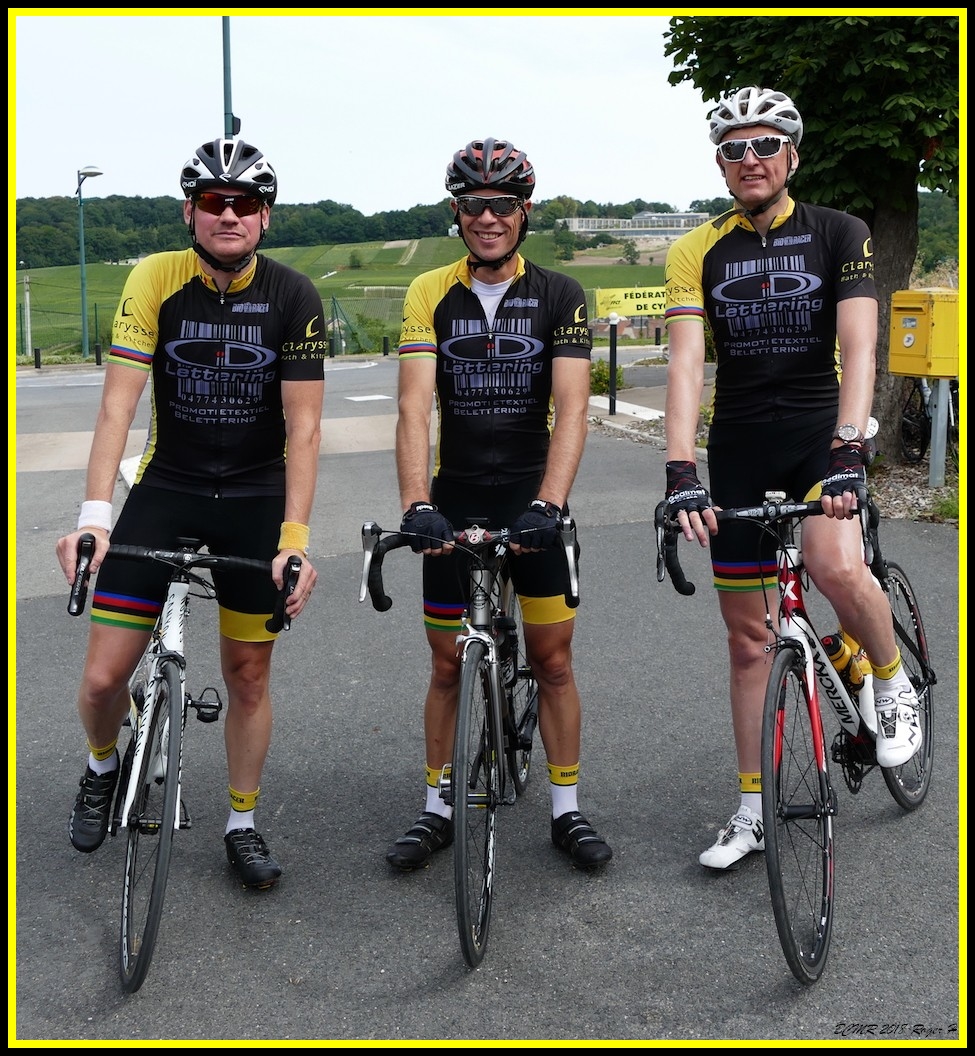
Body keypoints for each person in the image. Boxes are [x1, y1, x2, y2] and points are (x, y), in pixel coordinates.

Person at [662, 87, 922, 870]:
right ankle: (751, 812)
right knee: (749, 642)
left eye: (764, 144)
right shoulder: (696, 249)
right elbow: (685, 364)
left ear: (791, 156)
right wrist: (679, 467)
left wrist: (848, 445)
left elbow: (860, 345)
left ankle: (889, 679)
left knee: (833, 564)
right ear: (719, 164)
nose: (749, 159)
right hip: (741, 441)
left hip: (818, 434)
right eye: (733, 149)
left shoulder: (839, 232)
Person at [56, 137, 326, 889]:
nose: (228, 214)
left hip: (255, 497)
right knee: (103, 679)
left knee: (247, 675)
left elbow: (304, 427)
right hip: (168, 488)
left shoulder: (294, 295)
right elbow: (118, 406)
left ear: (265, 217)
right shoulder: (154, 279)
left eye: (244, 203)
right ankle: (101, 766)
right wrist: (94, 516)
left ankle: (242, 822)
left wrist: (294, 540)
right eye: (213, 201)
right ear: (190, 212)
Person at [387, 137, 612, 871]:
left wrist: (550, 502)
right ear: (456, 212)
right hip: (454, 494)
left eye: (503, 205)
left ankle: (566, 809)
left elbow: (572, 409)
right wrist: (416, 503)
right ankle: (436, 807)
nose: (488, 218)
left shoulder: (559, 295)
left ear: (525, 211)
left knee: (552, 661)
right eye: (474, 205)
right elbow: (414, 409)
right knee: (446, 664)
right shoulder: (429, 292)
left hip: (530, 491)